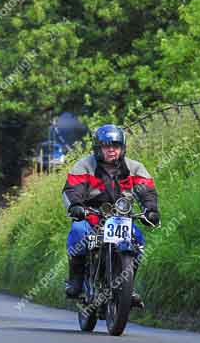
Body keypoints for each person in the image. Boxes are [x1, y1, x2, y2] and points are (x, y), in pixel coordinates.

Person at [61, 124, 160, 308]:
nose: (112, 150)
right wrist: (76, 206)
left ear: (123, 148)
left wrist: (151, 209)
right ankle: (76, 280)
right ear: (98, 148)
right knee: (77, 233)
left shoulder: (135, 167)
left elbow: (147, 191)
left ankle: (127, 288)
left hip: (121, 219)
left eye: (116, 145)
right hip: (91, 217)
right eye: (107, 146)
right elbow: (72, 189)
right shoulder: (84, 165)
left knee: (138, 239)